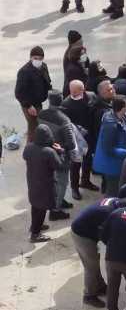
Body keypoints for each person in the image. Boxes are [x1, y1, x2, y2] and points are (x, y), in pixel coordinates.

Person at [71, 197, 126, 308]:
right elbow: (105, 237)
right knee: (91, 266)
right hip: (81, 235)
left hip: (84, 228)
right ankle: (89, 296)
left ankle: (99, 286)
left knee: (94, 261)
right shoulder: (108, 214)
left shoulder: (115, 201)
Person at [93, 95, 126, 196]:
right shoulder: (111, 125)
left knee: (115, 187)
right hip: (112, 165)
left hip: (117, 161)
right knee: (113, 190)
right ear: (123, 109)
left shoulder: (119, 117)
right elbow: (108, 149)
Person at [38, 90, 76, 218]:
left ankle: (59, 200)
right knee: (62, 182)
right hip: (60, 155)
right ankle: (55, 210)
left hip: (45, 152)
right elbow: (71, 143)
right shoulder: (64, 119)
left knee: (54, 181)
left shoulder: (41, 114)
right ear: (61, 100)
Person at [23, 125, 64, 242]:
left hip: (32, 182)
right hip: (45, 185)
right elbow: (59, 166)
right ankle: (35, 234)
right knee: (42, 209)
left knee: (35, 205)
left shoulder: (28, 147)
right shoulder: (49, 152)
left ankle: (34, 226)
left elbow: (24, 156)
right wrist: (60, 152)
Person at [62, 80, 98, 199]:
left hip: (90, 135)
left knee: (88, 160)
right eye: (71, 91)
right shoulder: (66, 104)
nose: (72, 93)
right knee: (76, 163)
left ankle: (85, 181)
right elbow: (66, 123)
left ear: (82, 90)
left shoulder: (91, 96)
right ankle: (74, 188)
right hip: (76, 138)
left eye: (75, 91)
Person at [15, 46, 52, 142]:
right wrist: (28, 106)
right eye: (35, 58)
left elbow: (47, 81)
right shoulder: (24, 71)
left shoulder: (43, 66)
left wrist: (50, 91)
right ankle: (29, 151)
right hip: (28, 104)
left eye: (40, 59)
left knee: (39, 125)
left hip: (38, 102)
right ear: (30, 57)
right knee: (33, 128)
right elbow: (18, 93)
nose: (38, 61)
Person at [90, 80, 115, 192]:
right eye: (109, 90)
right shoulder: (102, 111)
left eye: (112, 88)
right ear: (102, 93)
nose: (113, 90)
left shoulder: (107, 104)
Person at [62, 30, 89, 97]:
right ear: (74, 44)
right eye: (80, 43)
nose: (82, 45)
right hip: (74, 91)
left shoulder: (81, 52)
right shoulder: (69, 57)